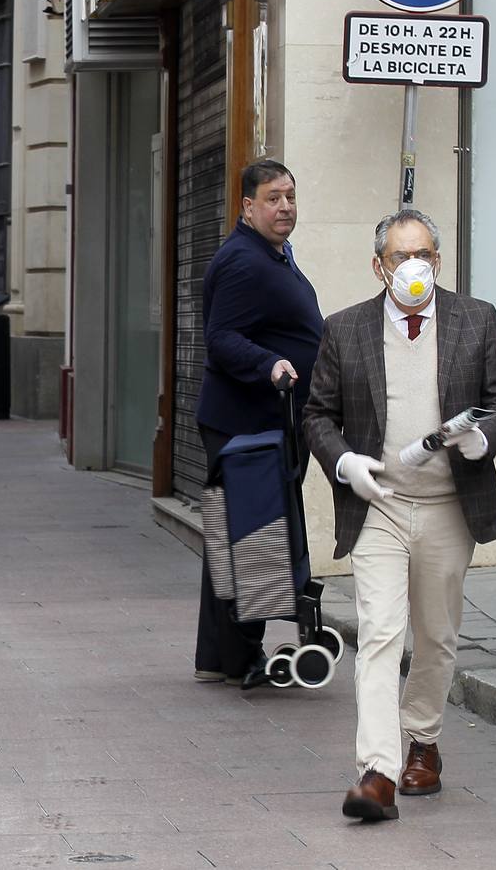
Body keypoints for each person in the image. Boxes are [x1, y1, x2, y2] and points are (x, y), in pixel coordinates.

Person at [302, 208, 496, 822]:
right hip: (380, 506)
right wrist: (346, 464)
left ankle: (423, 739)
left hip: (451, 506)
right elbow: (317, 414)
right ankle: (378, 771)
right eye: (401, 257)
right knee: (377, 633)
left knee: (436, 635)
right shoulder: (345, 330)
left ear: (439, 261)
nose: (414, 266)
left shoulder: (476, 320)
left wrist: (484, 439)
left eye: (423, 254)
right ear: (379, 266)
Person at [194, 160, 323, 689]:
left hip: (267, 423)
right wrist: (269, 364)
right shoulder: (244, 261)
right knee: (249, 538)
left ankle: (221, 656)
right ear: (248, 207)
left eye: (290, 196)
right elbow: (221, 337)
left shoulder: (273, 254)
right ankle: (240, 657)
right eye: (273, 198)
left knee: (238, 536)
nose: (285, 207)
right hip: (245, 424)